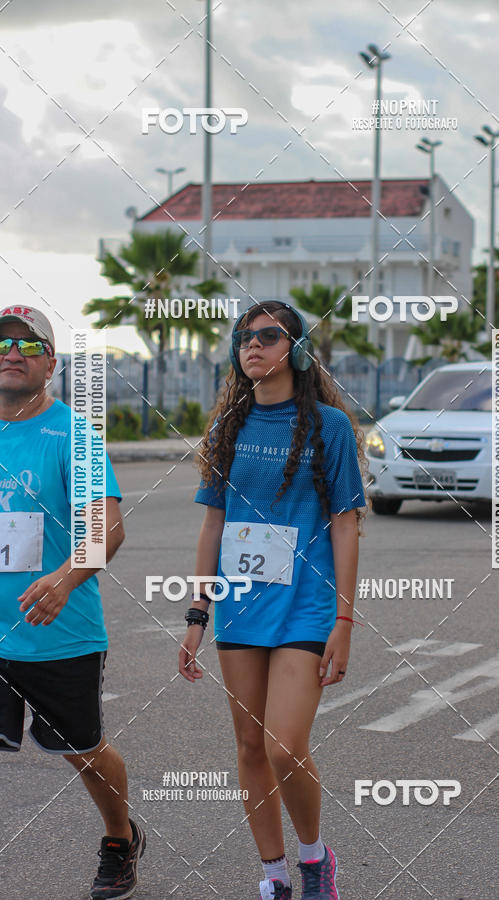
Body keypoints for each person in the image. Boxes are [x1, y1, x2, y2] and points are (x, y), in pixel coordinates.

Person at [179, 301, 367, 899]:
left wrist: (344, 618)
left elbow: (345, 522)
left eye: (267, 335)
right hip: (239, 605)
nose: (251, 345)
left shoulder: (329, 428)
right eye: (243, 337)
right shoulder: (228, 426)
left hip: (306, 606)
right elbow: (213, 526)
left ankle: (315, 860)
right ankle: (275, 875)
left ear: (298, 349)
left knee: (285, 745)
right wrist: (196, 615)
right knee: (250, 746)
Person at [0, 305, 146, 900]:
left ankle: (119, 837)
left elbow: (106, 528)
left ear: (51, 364)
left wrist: (63, 579)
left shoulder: (75, 435)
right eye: (2, 345)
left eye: (28, 347)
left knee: (83, 752)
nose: (12, 354)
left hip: (58, 632)